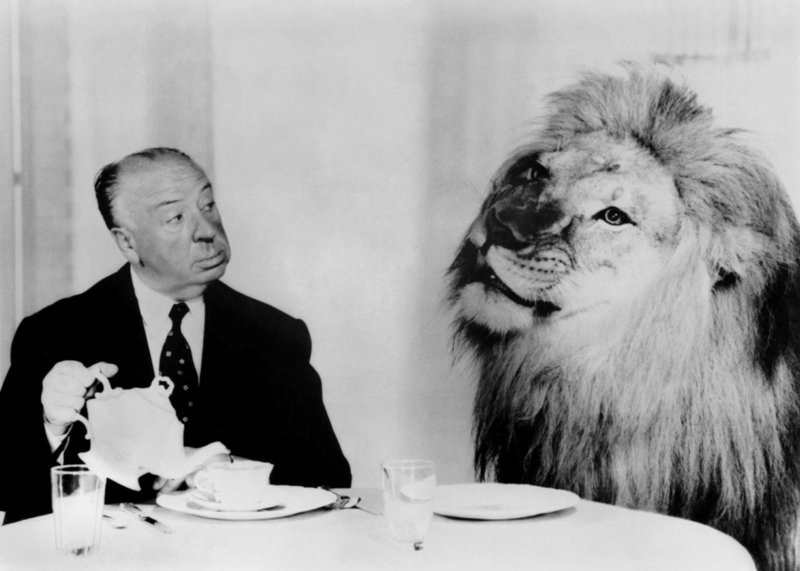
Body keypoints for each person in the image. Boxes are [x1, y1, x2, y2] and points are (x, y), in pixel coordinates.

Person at [0, 147, 351, 523]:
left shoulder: (275, 334)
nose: (207, 231)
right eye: (176, 217)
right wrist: (52, 427)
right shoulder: (54, 332)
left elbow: (328, 478)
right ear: (128, 243)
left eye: (209, 205)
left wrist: (228, 468)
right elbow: (6, 485)